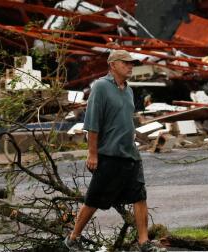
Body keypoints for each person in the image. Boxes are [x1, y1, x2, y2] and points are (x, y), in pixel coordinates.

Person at [64, 50, 167, 252]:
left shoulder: (128, 89)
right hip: (109, 155)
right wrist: (92, 153)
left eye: (132, 63)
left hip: (130, 154)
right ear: (112, 65)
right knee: (93, 199)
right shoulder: (101, 87)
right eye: (126, 63)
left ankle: (144, 242)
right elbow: (92, 123)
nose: (130, 66)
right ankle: (73, 238)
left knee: (139, 196)